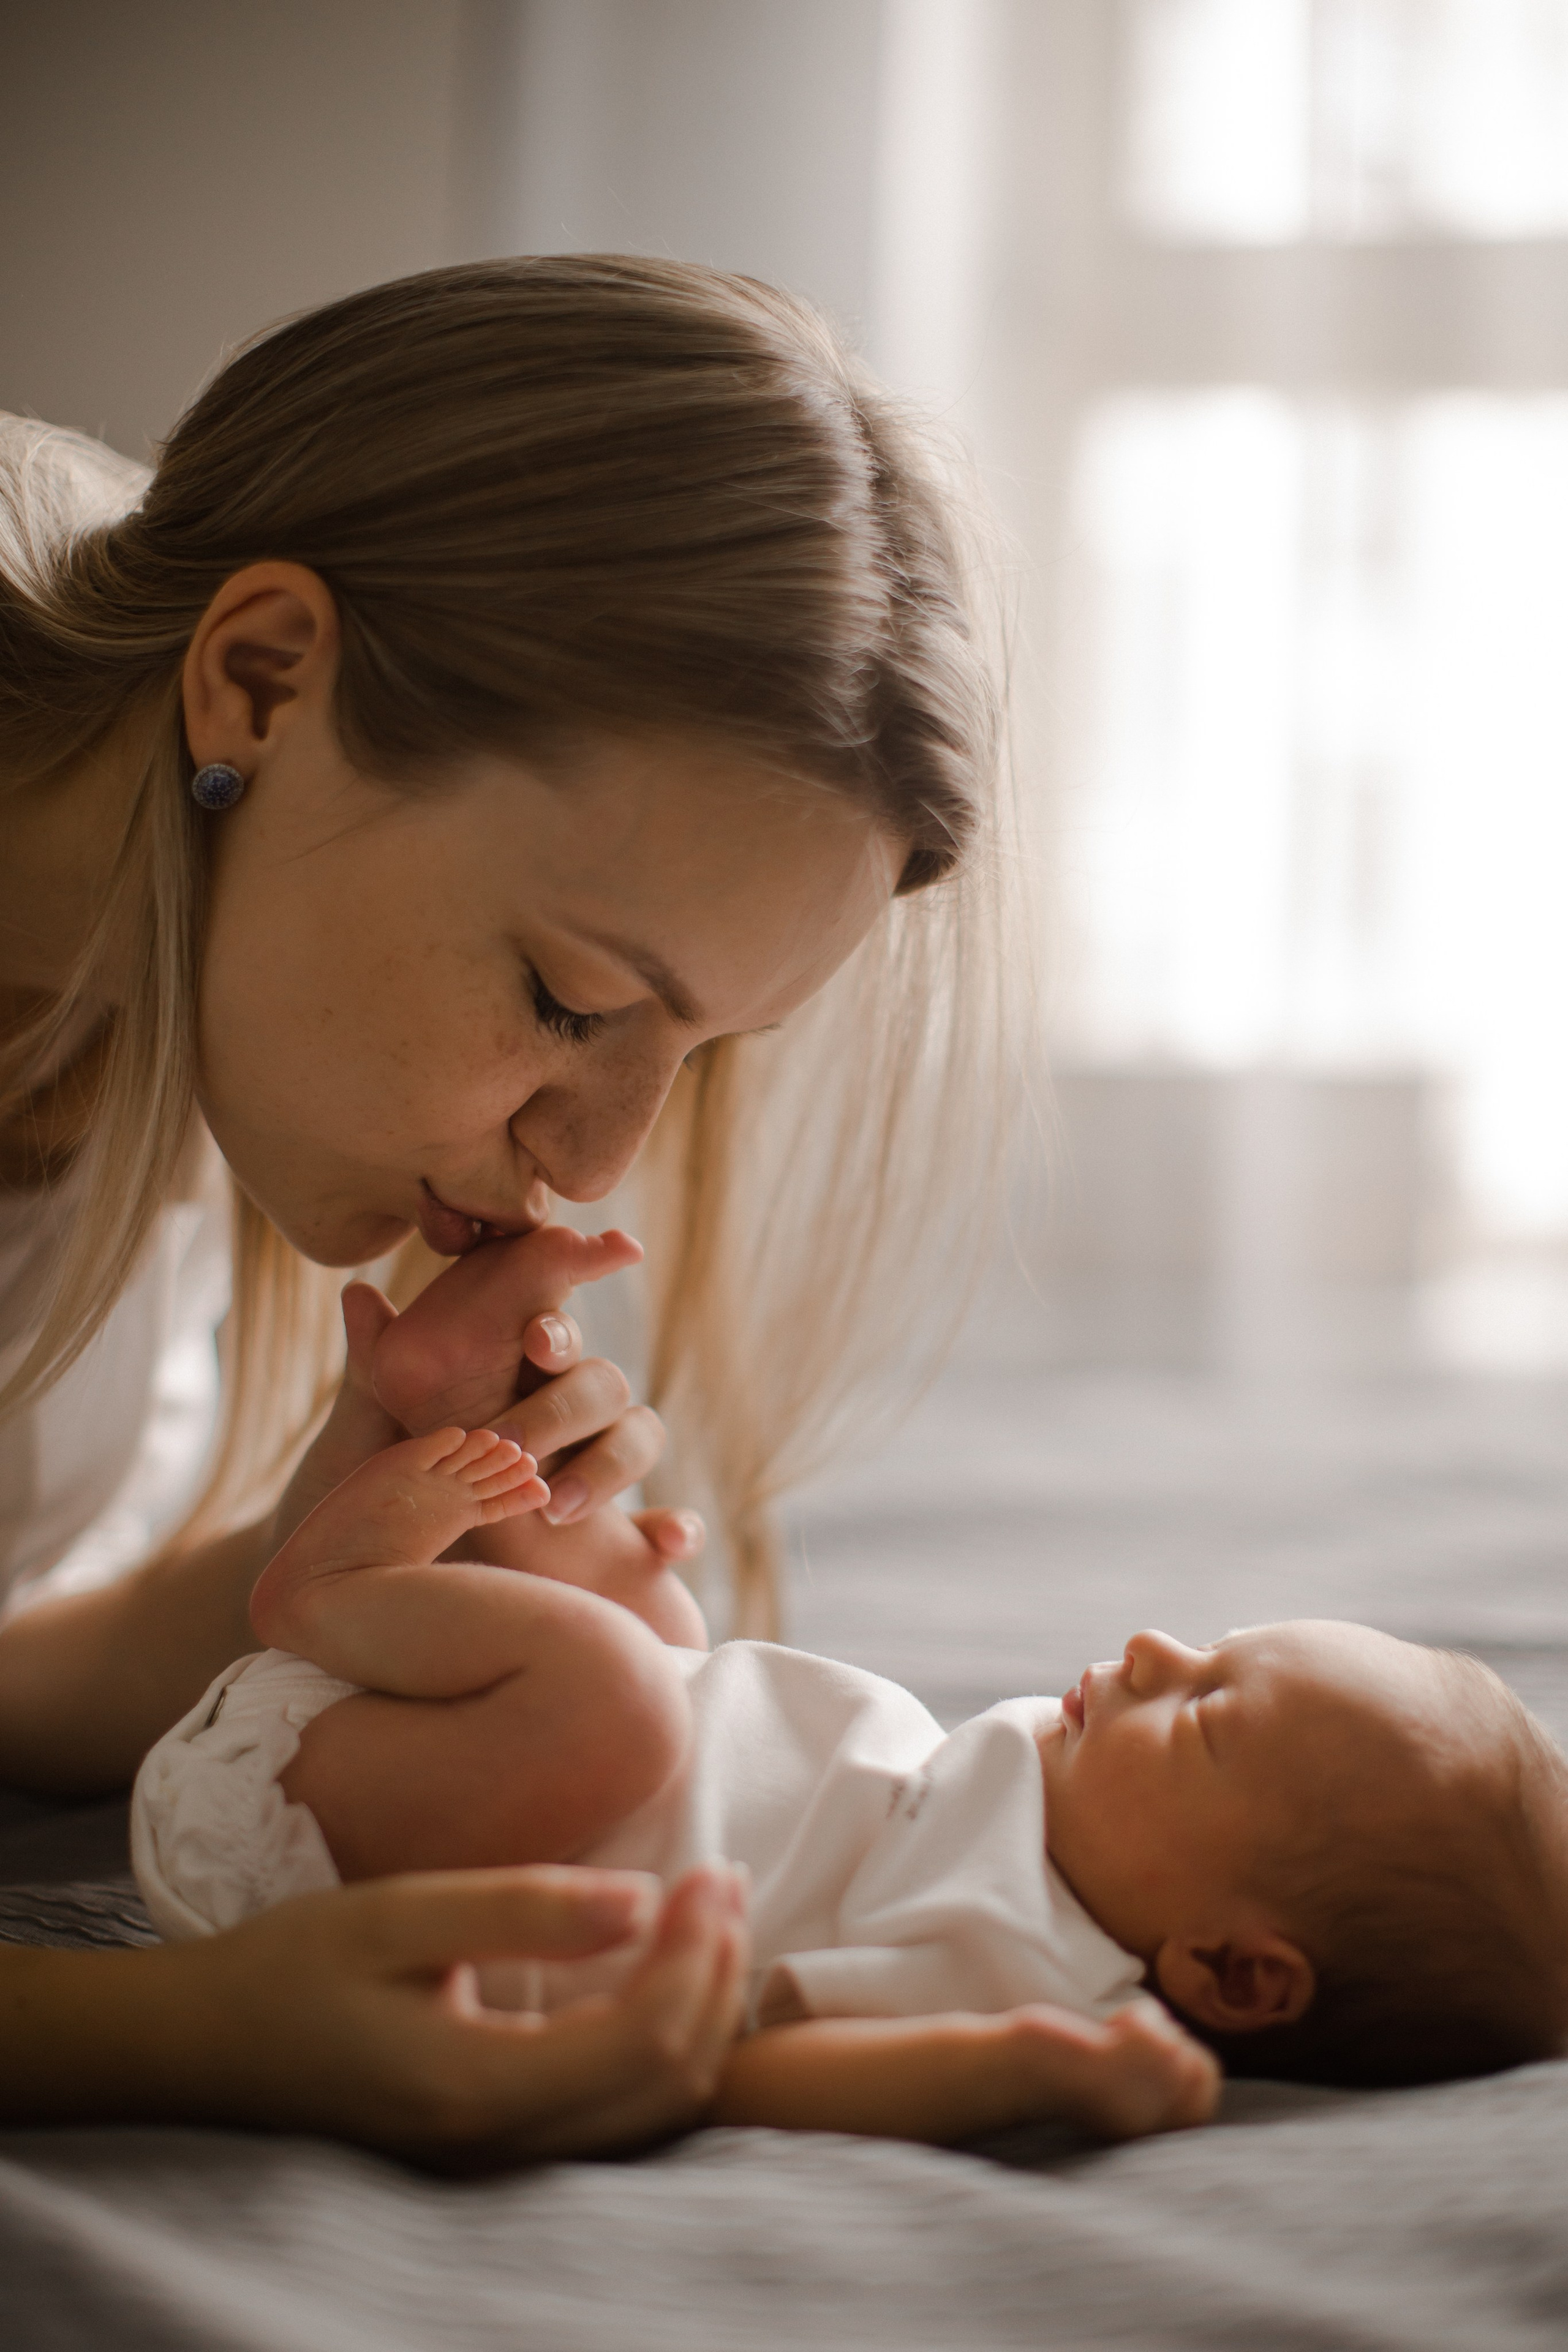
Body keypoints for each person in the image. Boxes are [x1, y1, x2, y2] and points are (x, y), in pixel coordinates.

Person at [0, 255, 1017, 2155]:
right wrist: (185, 2030)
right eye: (569, 1001)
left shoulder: (146, 964)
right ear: (266, 679)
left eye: (691, 1052)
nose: (599, 1163)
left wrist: (341, 1556)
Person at [134, 1358, 1568, 2128]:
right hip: (455, 1780)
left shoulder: (1027, 1971)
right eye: (1207, 1646)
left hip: (322, 1876)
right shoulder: (1044, 1824)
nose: (1148, 1652)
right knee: (650, 1618)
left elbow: (742, 2068)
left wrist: (1016, 2072)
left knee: (624, 1693)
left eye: (1199, 1714)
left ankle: (323, 1592)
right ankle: (449, 1392)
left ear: (1234, 1972)